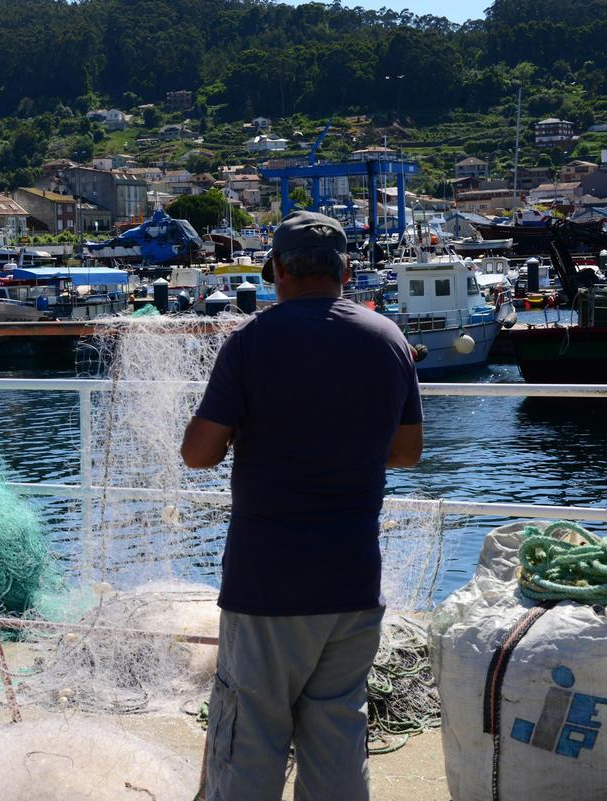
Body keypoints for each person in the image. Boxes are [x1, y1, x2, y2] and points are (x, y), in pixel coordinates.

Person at [181, 210, 422, 801]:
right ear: (344, 271)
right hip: (352, 582)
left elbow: (198, 454)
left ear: (278, 271)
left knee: (251, 739)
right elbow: (408, 452)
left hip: (268, 585)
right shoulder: (387, 338)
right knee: (339, 735)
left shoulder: (252, 342)